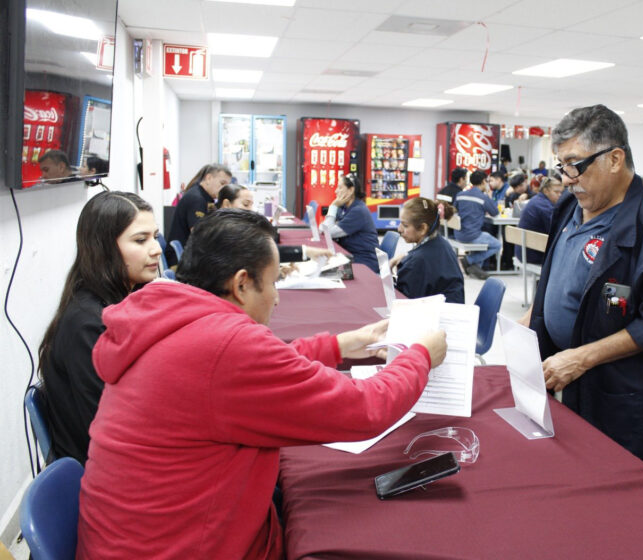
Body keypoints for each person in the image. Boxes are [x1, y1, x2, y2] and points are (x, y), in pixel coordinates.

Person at [76, 209, 447, 559]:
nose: (277, 297)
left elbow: (257, 368)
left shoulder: (169, 313)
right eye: (271, 284)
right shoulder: (225, 346)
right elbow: (364, 408)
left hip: (141, 538)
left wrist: (341, 345)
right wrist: (420, 357)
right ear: (241, 284)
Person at [520, 104, 643, 470]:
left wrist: (581, 358)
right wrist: (526, 323)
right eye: (561, 166)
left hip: (624, 399)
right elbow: (555, 277)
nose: (567, 178)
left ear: (615, 159)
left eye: (576, 165)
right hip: (571, 386)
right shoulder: (570, 206)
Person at [38, 192, 161, 464]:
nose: (156, 249)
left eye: (155, 236)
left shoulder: (119, 302)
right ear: (104, 247)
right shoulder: (88, 324)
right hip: (105, 475)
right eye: (141, 240)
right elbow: (111, 429)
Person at [391, 198, 464, 304]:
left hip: (439, 317)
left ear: (423, 229)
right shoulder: (441, 243)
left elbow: (404, 306)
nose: (399, 229)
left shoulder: (416, 262)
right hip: (454, 311)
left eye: (405, 225)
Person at [167, 163, 232, 265]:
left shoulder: (205, 196)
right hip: (181, 261)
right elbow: (199, 234)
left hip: (189, 255)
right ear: (209, 178)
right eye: (222, 183)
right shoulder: (197, 199)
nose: (224, 189)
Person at [323, 173, 380, 273]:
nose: (336, 191)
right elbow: (323, 229)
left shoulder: (358, 211)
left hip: (364, 262)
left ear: (351, 190)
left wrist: (333, 206)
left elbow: (328, 232)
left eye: (340, 187)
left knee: (325, 269)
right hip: (350, 255)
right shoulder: (344, 207)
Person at [455, 170, 501, 280]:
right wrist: (489, 195)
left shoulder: (460, 195)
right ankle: (469, 260)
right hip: (473, 235)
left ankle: (475, 269)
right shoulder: (483, 197)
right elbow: (495, 213)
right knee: (497, 245)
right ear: (483, 182)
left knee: (484, 238)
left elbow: (455, 209)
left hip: (459, 234)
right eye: (487, 181)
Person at [514, 174, 564, 265]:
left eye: (561, 192)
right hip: (533, 253)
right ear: (545, 191)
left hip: (525, 250)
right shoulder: (544, 206)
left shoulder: (537, 200)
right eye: (556, 192)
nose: (560, 195)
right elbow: (556, 229)